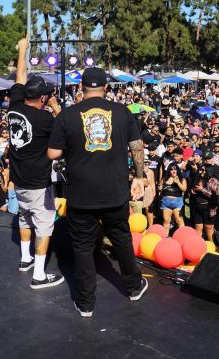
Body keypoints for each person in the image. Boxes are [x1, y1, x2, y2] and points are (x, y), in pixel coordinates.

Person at [47, 66, 148, 317]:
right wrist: (139, 176)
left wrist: (71, 147)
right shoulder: (122, 112)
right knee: (121, 239)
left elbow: (53, 153)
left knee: (82, 247)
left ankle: (85, 303)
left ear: (81, 88)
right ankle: (134, 287)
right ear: (106, 88)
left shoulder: (67, 115)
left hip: (81, 194)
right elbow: (137, 145)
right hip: (114, 191)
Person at [8, 36, 64, 290]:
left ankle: (25, 259)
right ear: (42, 98)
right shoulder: (45, 120)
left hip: (18, 178)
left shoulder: (14, 107)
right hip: (39, 181)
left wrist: (23, 50)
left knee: (24, 218)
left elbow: (19, 77)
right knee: (43, 225)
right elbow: (68, 126)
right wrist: (55, 107)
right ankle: (39, 275)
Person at [160, 163, 187, 235]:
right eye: (171, 169)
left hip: (177, 202)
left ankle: (183, 237)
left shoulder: (182, 179)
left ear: (178, 170)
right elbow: (160, 188)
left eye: (175, 169)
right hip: (166, 202)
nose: (173, 171)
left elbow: (184, 189)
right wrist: (159, 188)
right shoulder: (164, 179)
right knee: (166, 221)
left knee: (179, 220)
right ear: (169, 171)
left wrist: (178, 182)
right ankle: (165, 238)